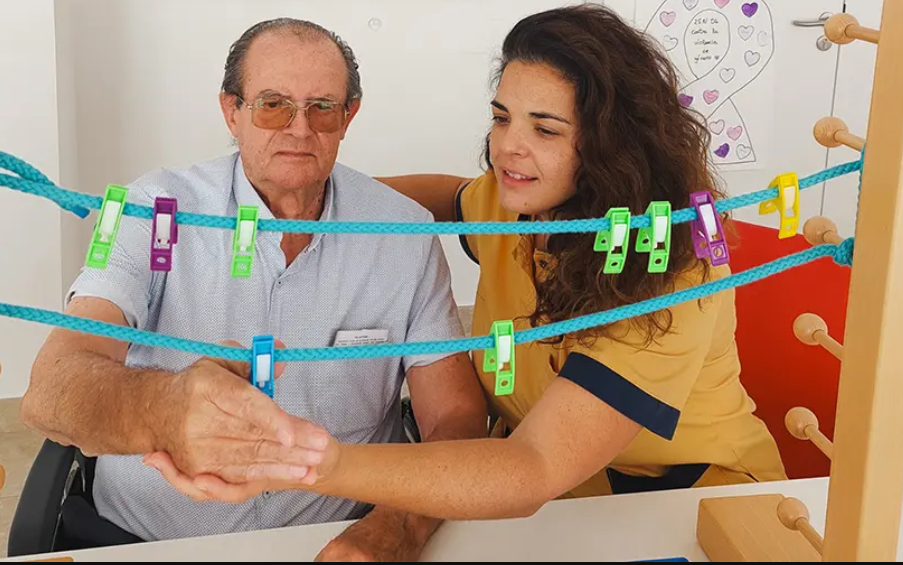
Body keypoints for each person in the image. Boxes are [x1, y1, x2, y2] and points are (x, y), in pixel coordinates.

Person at [146, 4, 788, 522]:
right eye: (502, 118)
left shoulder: (672, 270)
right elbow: (445, 195)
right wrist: (307, 197)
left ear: (610, 144)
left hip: (687, 505)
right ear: (232, 109)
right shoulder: (513, 208)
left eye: (545, 129)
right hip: (548, 502)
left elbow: (533, 468)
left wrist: (311, 462)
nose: (508, 148)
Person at [21, 17, 487, 560]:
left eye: (322, 108)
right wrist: (166, 409)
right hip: (149, 541)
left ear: (348, 117)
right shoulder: (149, 209)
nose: (299, 129)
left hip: (336, 540)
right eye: (272, 105)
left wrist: (397, 526)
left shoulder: (404, 234)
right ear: (231, 112)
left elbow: (455, 417)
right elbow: (50, 389)